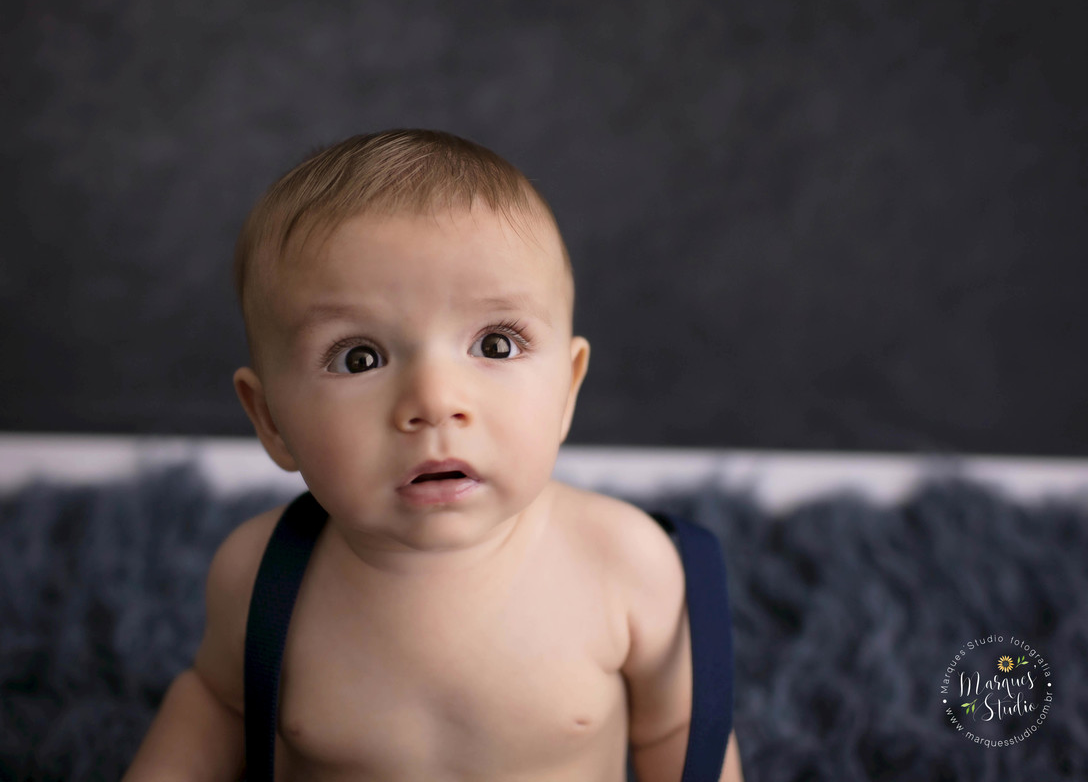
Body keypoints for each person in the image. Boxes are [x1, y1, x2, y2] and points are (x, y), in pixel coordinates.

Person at [124, 129, 743, 782]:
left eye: (496, 344)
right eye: (359, 357)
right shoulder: (261, 575)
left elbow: (681, 730)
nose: (435, 400)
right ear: (271, 420)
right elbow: (216, 707)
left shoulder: (625, 562)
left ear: (567, 387)